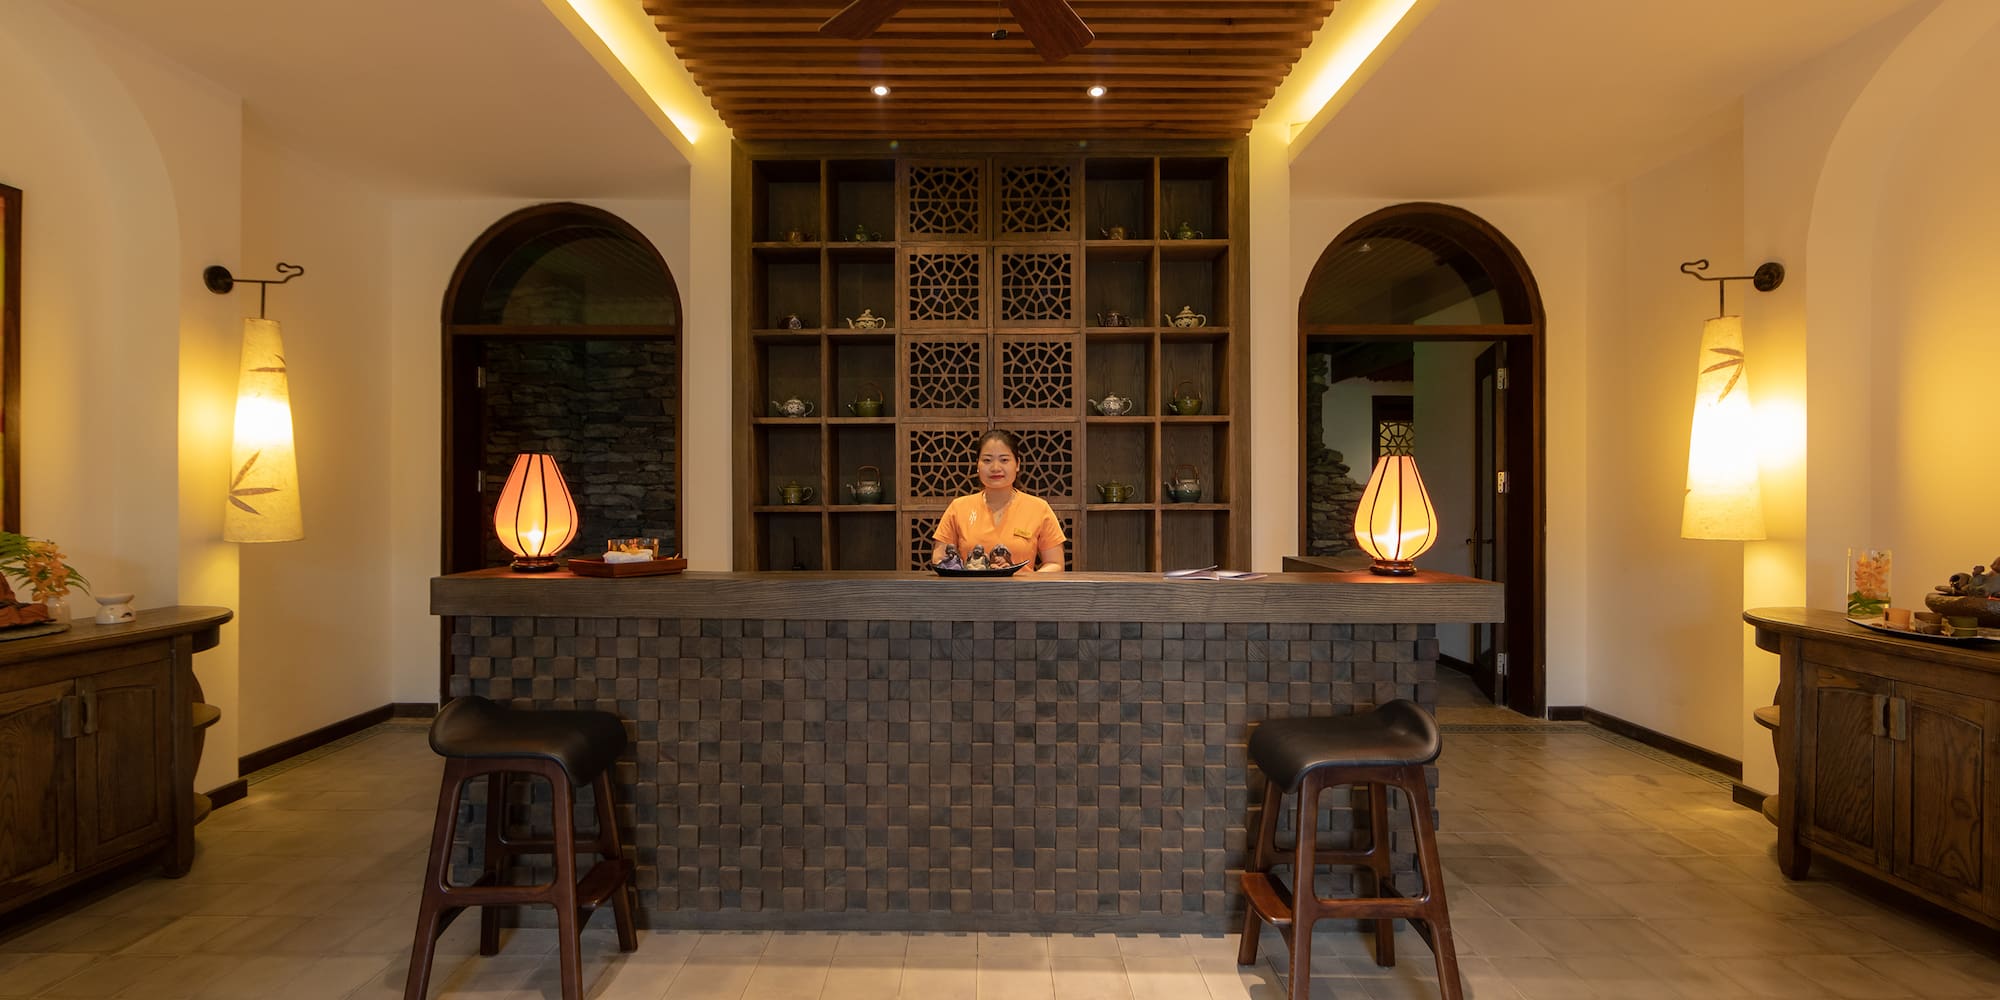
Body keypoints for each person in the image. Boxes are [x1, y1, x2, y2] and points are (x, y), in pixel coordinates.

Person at [931, 429, 1066, 573]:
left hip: (1021, 593)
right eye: (987, 460)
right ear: (977, 465)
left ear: (1018, 464)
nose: (996, 468)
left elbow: (1055, 563)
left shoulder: (1039, 508)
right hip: (969, 593)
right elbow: (940, 559)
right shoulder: (958, 507)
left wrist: (1028, 583)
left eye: (1004, 460)